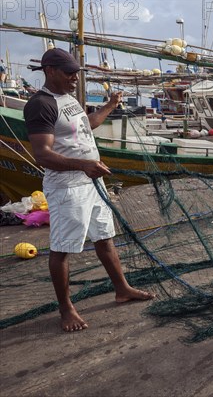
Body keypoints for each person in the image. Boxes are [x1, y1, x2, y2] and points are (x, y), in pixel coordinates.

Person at [23, 48, 154, 332]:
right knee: (62, 248)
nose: (74, 77)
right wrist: (83, 165)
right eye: (69, 72)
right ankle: (66, 308)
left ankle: (122, 289)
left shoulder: (69, 98)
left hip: (92, 181)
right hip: (67, 188)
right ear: (49, 70)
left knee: (104, 237)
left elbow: (86, 126)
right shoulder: (41, 105)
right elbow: (43, 155)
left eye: (76, 73)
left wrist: (110, 105)